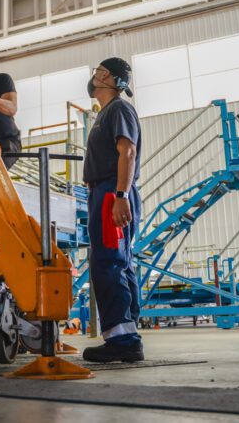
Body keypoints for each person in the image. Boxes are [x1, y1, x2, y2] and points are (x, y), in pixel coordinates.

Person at [82, 57, 144, 363]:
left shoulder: (118, 109)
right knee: (116, 260)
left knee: (109, 261)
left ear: (105, 75)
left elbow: (127, 151)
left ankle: (123, 339)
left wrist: (120, 195)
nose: (93, 77)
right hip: (106, 191)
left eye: (96, 72)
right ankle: (126, 334)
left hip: (111, 191)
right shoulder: (105, 113)